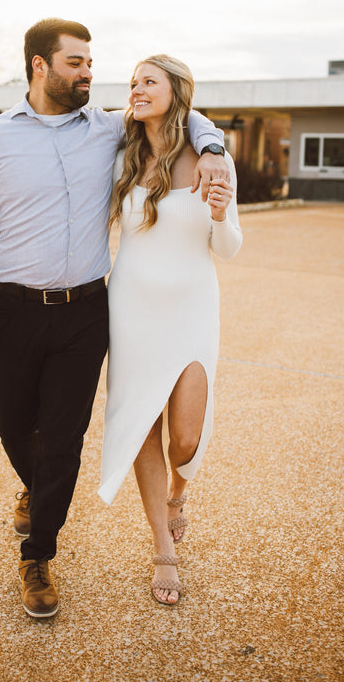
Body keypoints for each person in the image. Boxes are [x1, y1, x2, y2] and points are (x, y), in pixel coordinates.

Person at [0, 18, 229, 619]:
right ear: (39, 66)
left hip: (88, 311)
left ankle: (38, 556)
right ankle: (36, 486)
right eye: (75, 63)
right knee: (10, 418)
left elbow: (184, 111)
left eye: (90, 64)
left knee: (67, 438)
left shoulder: (108, 129)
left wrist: (212, 147)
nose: (88, 74)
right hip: (13, 309)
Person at [98, 55, 242, 605]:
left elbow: (228, 250)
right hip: (131, 310)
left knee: (184, 440)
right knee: (141, 426)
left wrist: (224, 213)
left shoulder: (212, 162)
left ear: (177, 91)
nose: (135, 89)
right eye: (132, 82)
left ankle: (180, 491)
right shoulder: (121, 159)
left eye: (148, 81)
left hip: (192, 311)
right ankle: (163, 546)